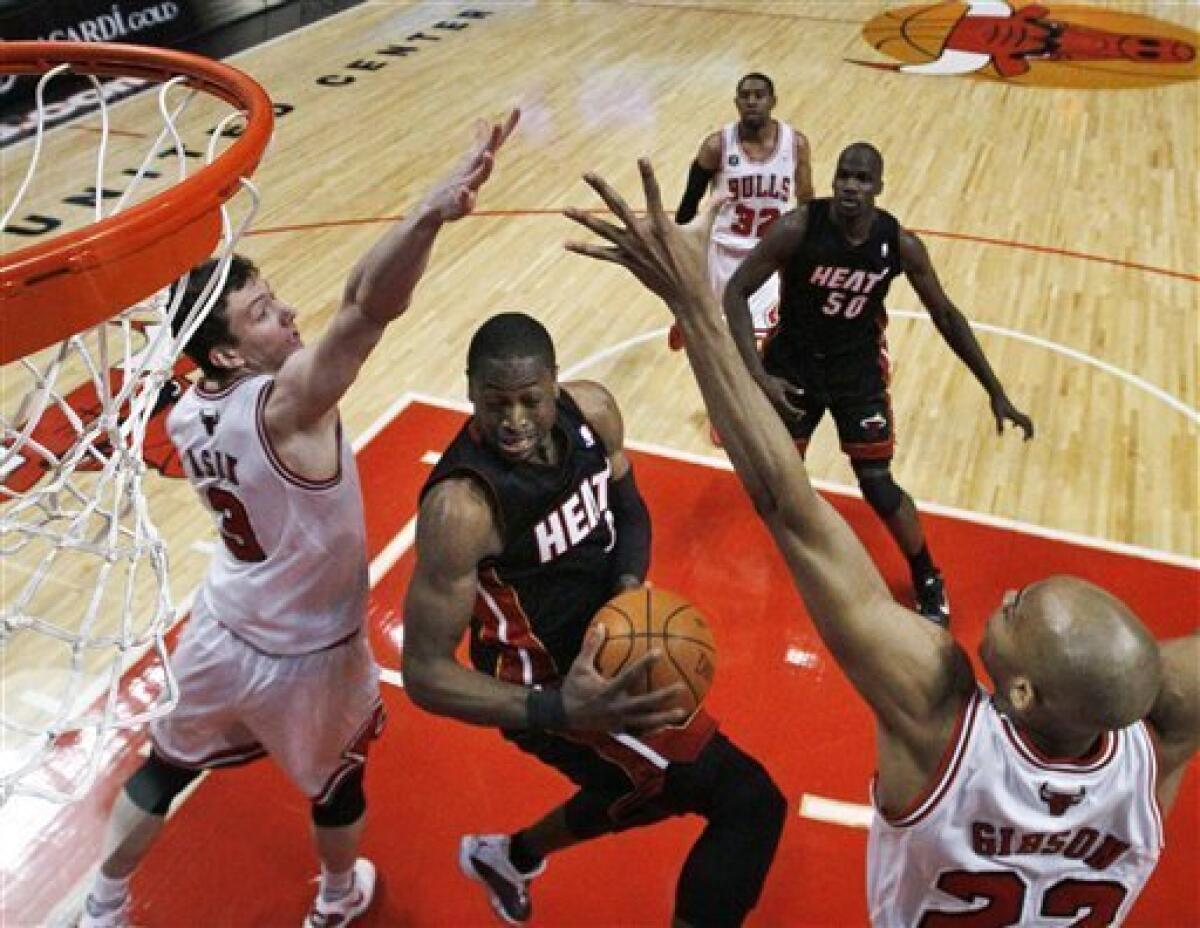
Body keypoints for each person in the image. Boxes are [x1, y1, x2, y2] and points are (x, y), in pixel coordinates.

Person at [565, 158, 1199, 927]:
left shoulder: (938, 717)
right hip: (804, 370)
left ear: (1024, 692)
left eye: (1015, 610)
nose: (1001, 596)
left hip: (849, 378)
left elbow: (787, 505)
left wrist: (690, 304)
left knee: (872, 486)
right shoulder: (1158, 743)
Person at [79, 109, 519, 928]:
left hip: (220, 624)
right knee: (339, 784)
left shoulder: (184, 411)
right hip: (308, 656)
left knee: (163, 768)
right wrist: (430, 211)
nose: (285, 313)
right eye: (259, 314)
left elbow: (343, 303)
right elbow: (366, 306)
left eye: (272, 296)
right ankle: (338, 895)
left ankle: (103, 905)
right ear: (228, 355)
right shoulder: (290, 408)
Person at [401, 311, 786, 927]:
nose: (514, 421)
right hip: (546, 683)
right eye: (494, 402)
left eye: (531, 399)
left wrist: (627, 592)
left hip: (609, 644)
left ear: (556, 383)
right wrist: (558, 710)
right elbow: (422, 673)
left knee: (644, 786)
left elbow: (630, 515)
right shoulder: (462, 509)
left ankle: (512, 857)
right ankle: (514, 854)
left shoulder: (595, 412)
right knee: (747, 801)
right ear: (469, 387)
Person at [722, 141, 1034, 624]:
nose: (850, 185)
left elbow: (946, 315)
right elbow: (736, 289)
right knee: (778, 479)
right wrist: (759, 376)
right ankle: (808, 562)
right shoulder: (799, 227)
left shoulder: (899, 244)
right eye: (844, 175)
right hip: (794, 367)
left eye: (862, 179)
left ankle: (927, 573)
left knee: (878, 483)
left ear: (879, 187)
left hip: (857, 370)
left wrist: (995, 390)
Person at [668, 71, 813, 353]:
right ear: (736, 102)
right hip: (722, 252)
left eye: (759, 95)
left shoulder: (795, 145)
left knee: (758, 345)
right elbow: (690, 201)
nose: (752, 101)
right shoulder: (716, 146)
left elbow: (805, 200)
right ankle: (685, 319)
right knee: (712, 334)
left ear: (773, 101)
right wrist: (680, 243)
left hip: (767, 255)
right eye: (745, 96)